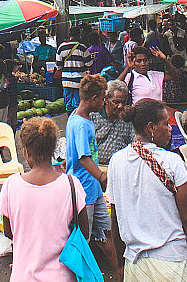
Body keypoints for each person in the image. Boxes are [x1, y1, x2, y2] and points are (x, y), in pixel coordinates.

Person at [107, 98, 187, 282]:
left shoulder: (116, 161)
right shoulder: (172, 162)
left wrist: (120, 265)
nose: (170, 129)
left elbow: (115, 220)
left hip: (135, 265)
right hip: (173, 263)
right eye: (166, 124)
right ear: (151, 127)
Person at [0, 117, 88, 282]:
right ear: (54, 149)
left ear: (25, 151)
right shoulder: (71, 185)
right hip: (62, 276)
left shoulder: (11, 186)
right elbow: (84, 232)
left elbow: (8, 231)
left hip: (22, 277)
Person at [65, 74, 119, 273]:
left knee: (106, 233)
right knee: (83, 239)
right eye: (103, 98)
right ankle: (79, 275)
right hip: (83, 190)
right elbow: (83, 158)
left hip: (93, 190)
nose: (104, 102)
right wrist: (102, 177)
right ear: (94, 99)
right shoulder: (79, 124)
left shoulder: (81, 118)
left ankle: (118, 272)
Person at [89, 79, 134, 163]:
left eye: (123, 102)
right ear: (106, 99)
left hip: (121, 166)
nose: (120, 106)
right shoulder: (93, 116)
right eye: (116, 102)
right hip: (97, 167)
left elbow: (134, 142)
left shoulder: (127, 118)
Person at [56, 26, 93, 113]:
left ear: (69, 35)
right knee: (78, 104)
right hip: (79, 81)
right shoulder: (82, 48)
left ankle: (69, 121)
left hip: (66, 81)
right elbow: (89, 63)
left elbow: (58, 66)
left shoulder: (61, 47)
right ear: (79, 35)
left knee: (68, 104)